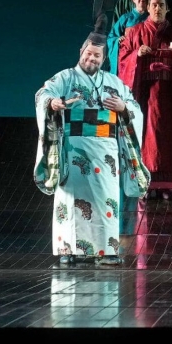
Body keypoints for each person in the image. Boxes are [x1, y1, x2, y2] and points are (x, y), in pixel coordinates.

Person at [34, 16, 149, 265]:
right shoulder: (65, 78)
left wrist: (122, 107)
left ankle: (106, 251)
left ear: (103, 58)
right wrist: (52, 103)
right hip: (73, 149)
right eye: (88, 54)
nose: (92, 59)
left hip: (104, 150)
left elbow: (134, 107)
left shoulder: (113, 82)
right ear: (81, 52)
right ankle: (68, 250)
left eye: (97, 56)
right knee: (71, 200)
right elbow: (43, 93)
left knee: (106, 199)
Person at [118, 0, 172, 199]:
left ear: (167, 8)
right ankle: (145, 183)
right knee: (145, 135)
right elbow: (123, 61)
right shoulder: (135, 32)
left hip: (170, 95)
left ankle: (168, 184)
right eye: (154, 5)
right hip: (145, 95)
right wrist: (136, 55)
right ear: (148, 7)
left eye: (161, 5)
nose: (157, 8)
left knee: (168, 136)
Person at [107, 0, 153, 77]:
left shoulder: (152, 19)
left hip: (147, 63)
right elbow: (111, 38)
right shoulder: (125, 19)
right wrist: (118, 40)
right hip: (128, 63)